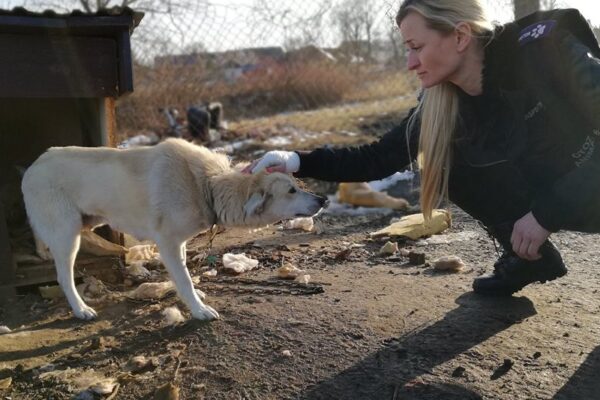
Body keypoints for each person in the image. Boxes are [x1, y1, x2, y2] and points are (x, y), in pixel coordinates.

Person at [244, 0, 600, 296]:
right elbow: (378, 158)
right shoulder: (442, 102)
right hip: (557, 185)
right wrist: (293, 161)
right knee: (445, 158)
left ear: (460, 36)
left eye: (417, 48)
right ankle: (528, 258)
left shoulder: (544, 51)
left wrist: (547, 213)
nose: (410, 63)